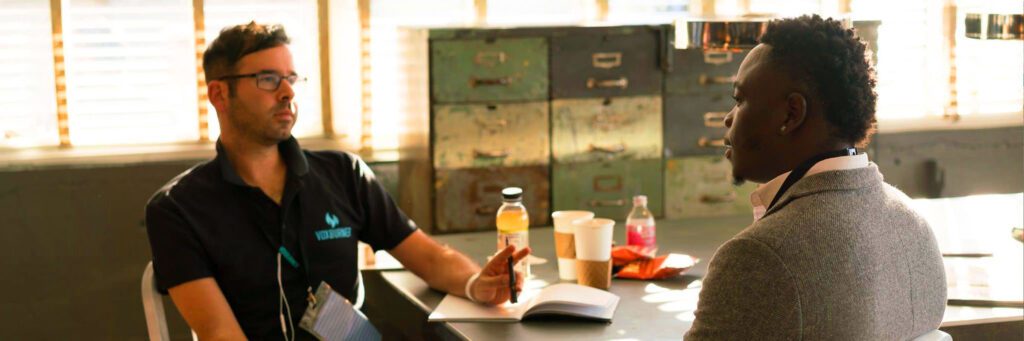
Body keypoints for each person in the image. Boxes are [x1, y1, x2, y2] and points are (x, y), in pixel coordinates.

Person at [145, 22, 529, 340]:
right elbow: (218, 333)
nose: (287, 92)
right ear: (219, 94)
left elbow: (428, 257)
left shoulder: (342, 173)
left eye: (291, 78)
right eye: (267, 79)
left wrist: (477, 283)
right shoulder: (178, 209)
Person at [684, 15, 946, 340]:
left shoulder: (758, 256)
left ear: (791, 115)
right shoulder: (914, 225)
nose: (728, 118)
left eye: (740, 101)